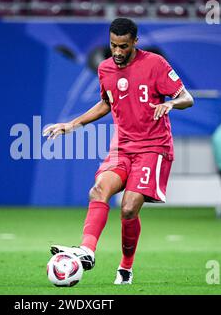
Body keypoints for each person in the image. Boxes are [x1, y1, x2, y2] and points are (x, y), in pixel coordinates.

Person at [43, 18, 194, 284]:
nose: (117, 52)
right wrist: (72, 124)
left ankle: (125, 267)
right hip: (122, 146)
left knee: (128, 209)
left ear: (135, 42)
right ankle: (87, 251)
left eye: (123, 46)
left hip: (153, 147)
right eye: (113, 45)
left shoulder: (155, 64)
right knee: (99, 189)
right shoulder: (105, 69)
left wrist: (171, 105)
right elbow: (106, 103)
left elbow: (186, 97)